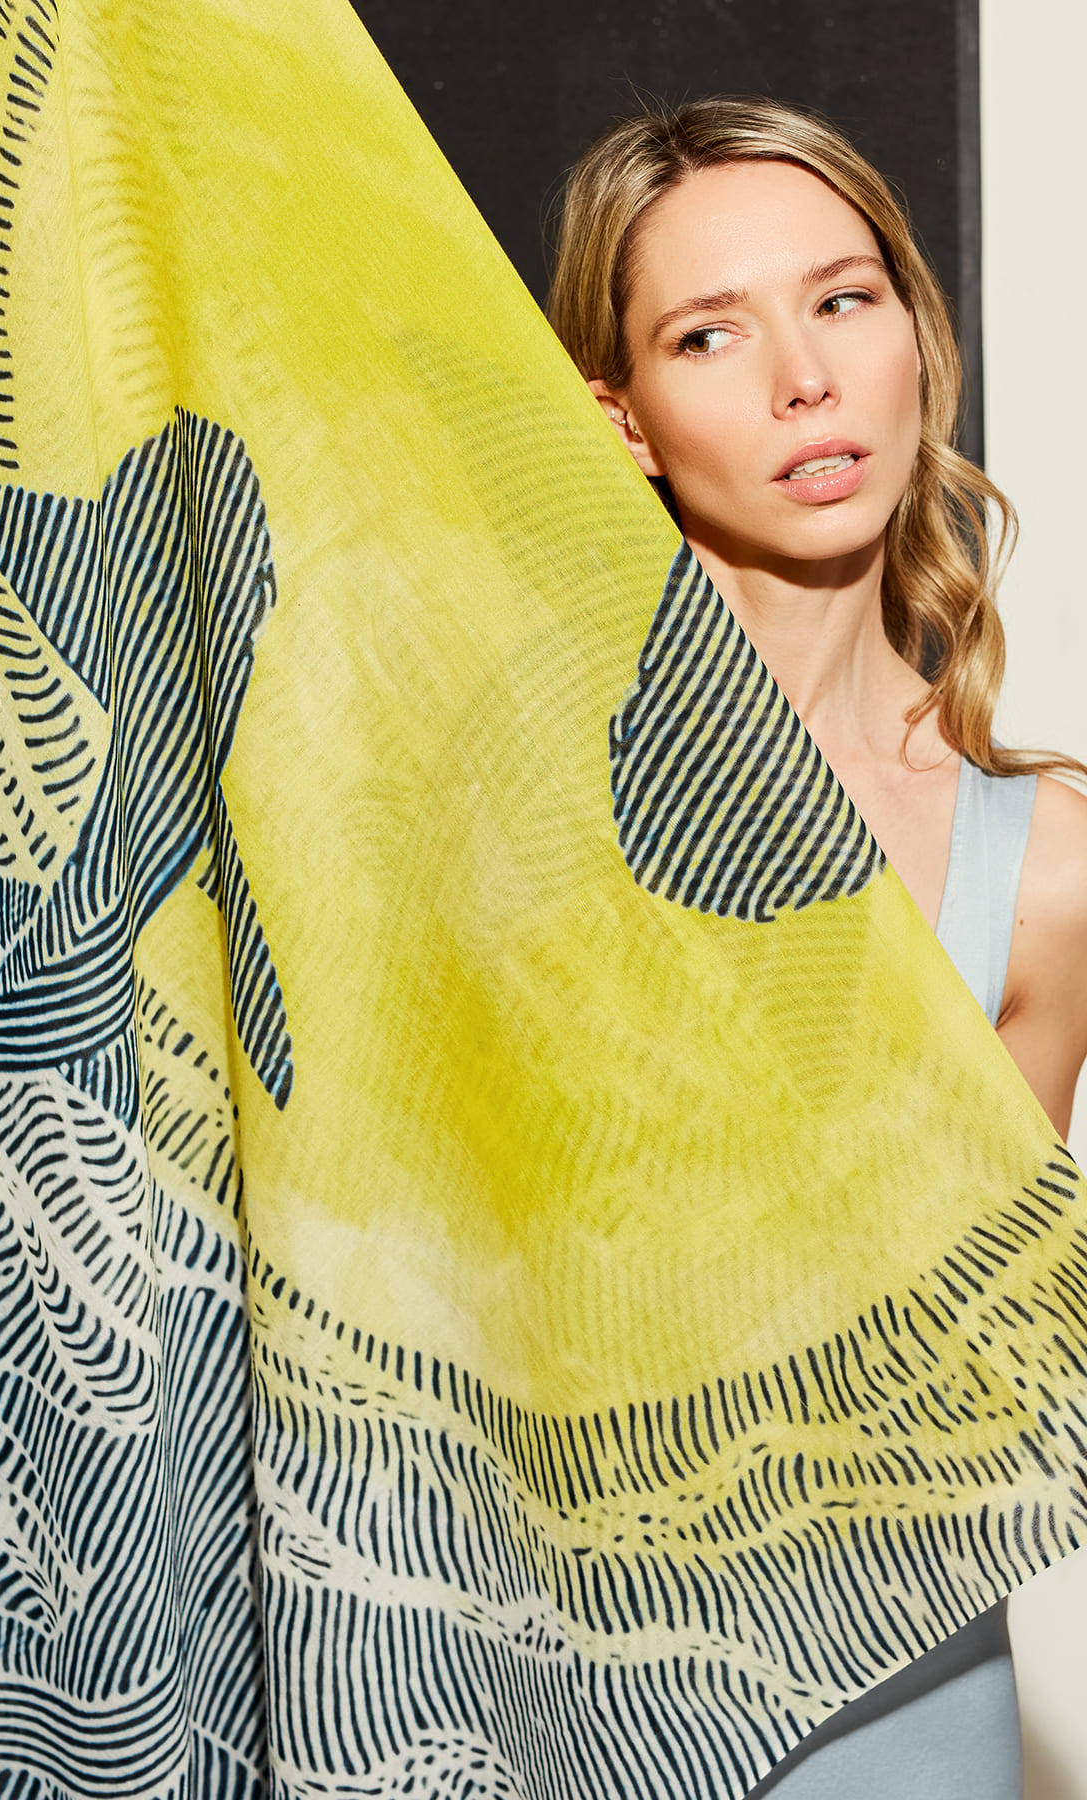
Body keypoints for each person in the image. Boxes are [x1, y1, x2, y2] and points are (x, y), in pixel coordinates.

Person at [548, 96, 1087, 1798]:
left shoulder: (1049, 859)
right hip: (546, 1678)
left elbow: (991, 1358)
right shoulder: (514, 817)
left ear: (915, 336)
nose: (803, 378)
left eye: (843, 301)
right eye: (710, 334)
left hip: (893, 1687)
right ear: (623, 420)